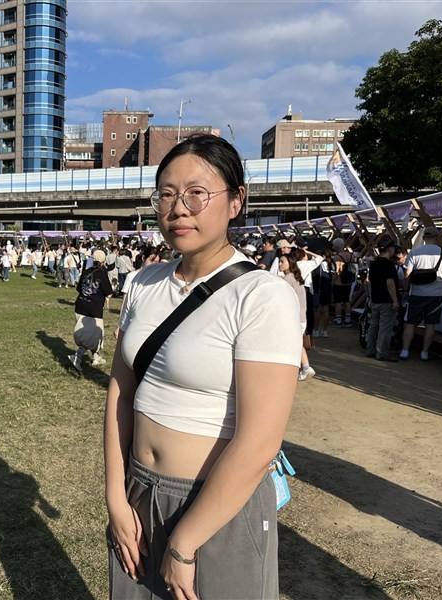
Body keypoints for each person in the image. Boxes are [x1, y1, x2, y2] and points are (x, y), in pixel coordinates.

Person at [105, 135, 300, 599]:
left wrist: (185, 543)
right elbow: (121, 391)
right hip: (138, 491)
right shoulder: (144, 282)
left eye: (197, 193)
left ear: (236, 201)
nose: (178, 209)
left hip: (216, 505)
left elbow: (260, 441)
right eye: (166, 194)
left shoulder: (262, 296)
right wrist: (116, 497)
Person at [400, 227, 442, 361]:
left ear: (424, 238)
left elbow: (407, 274)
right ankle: (424, 352)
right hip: (436, 294)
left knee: (411, 323)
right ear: (436, 238)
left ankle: (405, 350)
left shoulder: (415, 251)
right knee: (430, 325)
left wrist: (406, 290)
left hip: (417, 292)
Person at [68, 250, 114, 372]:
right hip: (93, 309)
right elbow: (108, 292)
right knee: (92, 336)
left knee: (94, 334)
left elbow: (79, 288)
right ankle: (77, 356)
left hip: (80, 306)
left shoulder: (86, 271)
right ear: (103, 261)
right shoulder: (102, 274)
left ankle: (96, 357)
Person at [365, 236, 400, 362]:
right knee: (385, 327)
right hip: (386, 299)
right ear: (389, 249)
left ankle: (370, 349)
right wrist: (395, 300)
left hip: (375, 298)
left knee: (374, 325)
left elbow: (369, 282)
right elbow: (390, 283)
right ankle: (382, 352)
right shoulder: (389, 265)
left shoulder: (373, 263)